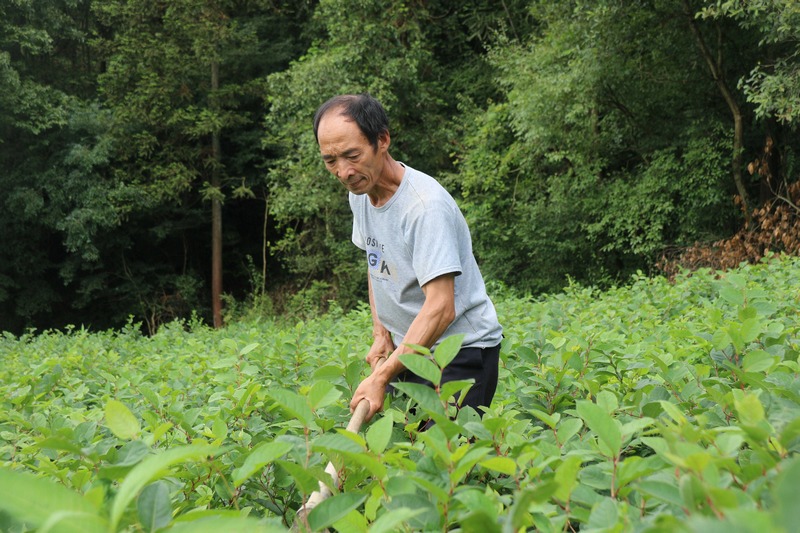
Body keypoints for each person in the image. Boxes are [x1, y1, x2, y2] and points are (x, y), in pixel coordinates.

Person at [313, 93, 503, 423]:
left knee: (444, 453)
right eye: (331, 161)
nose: (343, 172)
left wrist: (381, 377)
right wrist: (381, 334)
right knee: (408, 446)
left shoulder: (424, 208)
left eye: (352, 155)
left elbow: (441, 307)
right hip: (411, 351)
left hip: (460, 353)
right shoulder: (361, 193)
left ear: (382, 140)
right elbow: (376, 263)